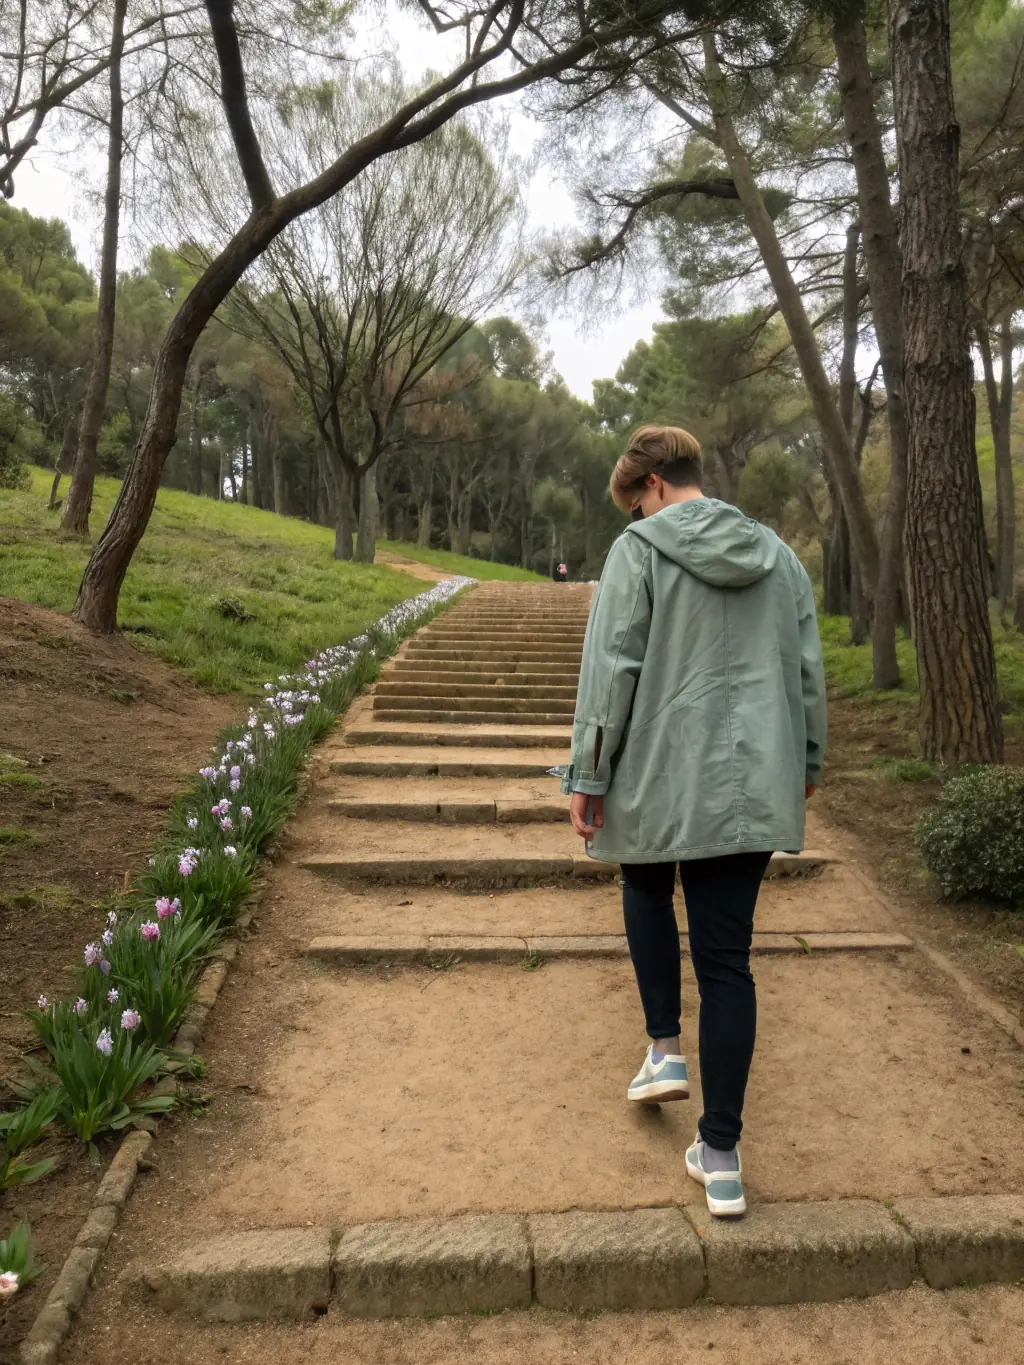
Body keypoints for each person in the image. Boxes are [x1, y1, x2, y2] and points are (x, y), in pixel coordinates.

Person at [562, 424, 826, 1219]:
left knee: (643, 886)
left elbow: (613, 669)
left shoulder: (637, 552)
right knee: (728, 963)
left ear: (650, 486)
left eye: (633, 504)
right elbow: (806, 668)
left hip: (655, 771)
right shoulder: (778, 556)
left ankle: (663, 1048)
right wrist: (805, 761)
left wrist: (588, 773)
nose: (635, 519)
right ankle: (721, 1160)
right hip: (748, 785)